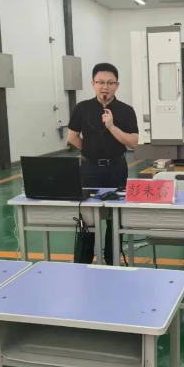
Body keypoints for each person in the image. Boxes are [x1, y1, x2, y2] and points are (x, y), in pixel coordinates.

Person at [68, 63, 138, 265]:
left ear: (117, 85)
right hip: (89, 169)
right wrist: (90, 152)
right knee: (87, 218)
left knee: (115, 217)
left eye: (110, 83)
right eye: (100, 82)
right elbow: (73, 137)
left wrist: (112, 126)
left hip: (116, 169)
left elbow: (133, 142)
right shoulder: (82, 108)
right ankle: (82, 263)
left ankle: (113, 260)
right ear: (93, 84)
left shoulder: (126, 110)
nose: (105, 87)